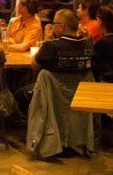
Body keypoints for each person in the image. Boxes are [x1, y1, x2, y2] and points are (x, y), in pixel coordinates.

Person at [26, 9, 95, 158]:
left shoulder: (51, 47)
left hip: (53, 97)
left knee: (21, 94)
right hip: (81, 96)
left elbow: (34, 65)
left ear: (62, 27)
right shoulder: (89, 45)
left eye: (55, 24)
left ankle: (44, 138)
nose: (53, 26)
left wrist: (47, 40)